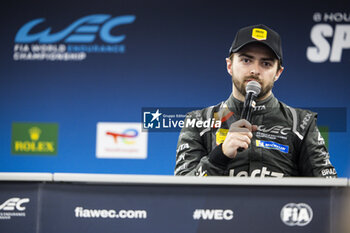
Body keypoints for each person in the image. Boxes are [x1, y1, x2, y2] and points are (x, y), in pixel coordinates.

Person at [174, 24, 337, 177]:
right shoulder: (199, 121)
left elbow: (330, 190)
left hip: (280, 208)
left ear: (278, 72)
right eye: (246, 60)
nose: (255, 70)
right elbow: (182, 190)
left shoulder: (302, 123)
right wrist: (220, 155)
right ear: (229, 65)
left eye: (266, 63)